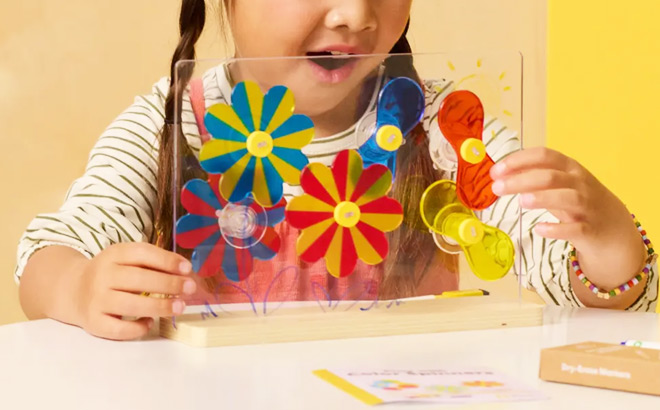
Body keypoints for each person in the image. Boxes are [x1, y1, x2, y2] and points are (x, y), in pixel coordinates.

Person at [16, 0, 657, 341]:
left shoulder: (445, 124)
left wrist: (604, 241)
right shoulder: (174, 120)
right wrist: (77, 287)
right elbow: (51, 252)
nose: (355, 12)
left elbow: (576, 283)